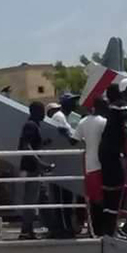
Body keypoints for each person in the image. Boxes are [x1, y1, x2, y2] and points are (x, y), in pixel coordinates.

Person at [98, 83, 127, 236]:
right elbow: (125, 128)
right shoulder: (124, 107)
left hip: (105, 152)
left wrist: (125, 152)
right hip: (112, 154)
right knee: (118, 191)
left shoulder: (111, 108)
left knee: (110, 192)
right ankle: (112, 230)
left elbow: (114, 132)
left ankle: (111, 229)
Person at [17, 101, 55, 239]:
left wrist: (43, 143)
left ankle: (52, 228)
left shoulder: (34, 125)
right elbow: (25, 146)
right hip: (32, 169)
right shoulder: (31, 125)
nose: (44, 114)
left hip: (35, 169)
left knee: (42, 198)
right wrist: (41, 163)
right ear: (35, 112)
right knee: (31, 200)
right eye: (42, 111)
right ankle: (26, 231)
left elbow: (31, 144)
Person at [73, 97, 108, 235]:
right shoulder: (104, 122)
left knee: (93, 200)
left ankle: (94, 230)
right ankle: (102, 230)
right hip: (102, 165)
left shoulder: (83, 121)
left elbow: (73, 141)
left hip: (89, 165)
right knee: (103, 200)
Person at [50, 92, 80, 238]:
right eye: (72, 101)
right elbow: (68, 138)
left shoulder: (68, 117)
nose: (75, 104)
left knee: (67, 200)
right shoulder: (59, 117)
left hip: (66, 165)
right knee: (62, 200)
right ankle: (63, 229)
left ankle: (67, 227)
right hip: (60, 166)